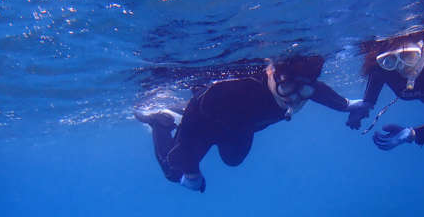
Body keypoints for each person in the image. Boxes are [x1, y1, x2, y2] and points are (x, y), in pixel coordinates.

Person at [136, 56, 368, 192]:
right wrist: (192, 173)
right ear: (270, 72)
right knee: (174, 171)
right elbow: (198, 110)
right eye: (287, 89)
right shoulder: (235, 90)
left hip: (240, 128)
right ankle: (162, 120)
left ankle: (177, 114)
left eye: (303, 91)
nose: (293, 98)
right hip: (204, 124)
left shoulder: (299, 86)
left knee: (233, 161)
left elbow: (319, 91)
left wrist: (346, 105)